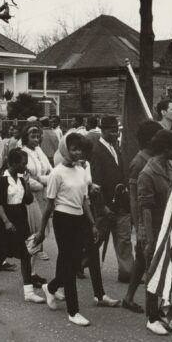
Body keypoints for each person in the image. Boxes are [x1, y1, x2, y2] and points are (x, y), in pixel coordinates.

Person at [36, 133, 119, 327]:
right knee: (70, 263)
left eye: (79, 149)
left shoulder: (81, 170)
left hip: (80, 217)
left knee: (75, 263)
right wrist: (41, 232)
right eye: (73, 148)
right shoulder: (56, 173)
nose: (77, 152)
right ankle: (73, 311)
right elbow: (49, 205)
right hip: (63, 220)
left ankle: (52, 286)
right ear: (65, 149)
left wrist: (92, 224)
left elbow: (85, 200)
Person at [0, 148, 45, 304]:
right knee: (1, 255)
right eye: (23, 163)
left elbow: (27, 200)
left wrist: (26, 184)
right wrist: (6, 222)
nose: (25, 167)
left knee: (26, 255)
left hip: (20, 219)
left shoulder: (20, 179)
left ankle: (29, 292)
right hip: (7, 220)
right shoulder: (2, 180)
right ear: (13, 163)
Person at [138, 129, 172, 336]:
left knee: (165, 271)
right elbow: (145, 207)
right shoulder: (148, 172)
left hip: (166, 227)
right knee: (152, 272)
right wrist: (149, 239)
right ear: (166, 148)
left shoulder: (167, 167)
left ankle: (161, 311)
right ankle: (151, 317)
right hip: (153, 229)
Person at [122, 120, 162, 313]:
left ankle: (129, 297)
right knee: (148, 260)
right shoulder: (139, 161)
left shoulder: (154, 157)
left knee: (140, 260)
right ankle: (152, 308)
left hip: (155, 215)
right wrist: (139, 226)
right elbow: (133, 196)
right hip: (145, 219)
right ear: (149, 140)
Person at [90, 115, 134, 283]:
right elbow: (96, 183)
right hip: (105, 204)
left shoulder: (116, 148)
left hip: (121, 202)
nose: (115, 133)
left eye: (117, 130)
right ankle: (80, 262)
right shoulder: (96, 151)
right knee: (98, 238)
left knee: (124, 238)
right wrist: (102, 207)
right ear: (103, 130)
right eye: (112, 130)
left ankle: (127, 271)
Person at [21, 123, 52, 273]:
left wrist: (45, 179)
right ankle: (31, 252)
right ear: (26, 138)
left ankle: (39, 248)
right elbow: (24, 175)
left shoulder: (39, 150)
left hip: (43, 192)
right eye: (32, 136)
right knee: (34, 224)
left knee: (43, 223)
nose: (36, 139)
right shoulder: (22, 151)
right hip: (31, 193)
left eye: (38, 136)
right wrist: (41, 182)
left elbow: (49, 169)